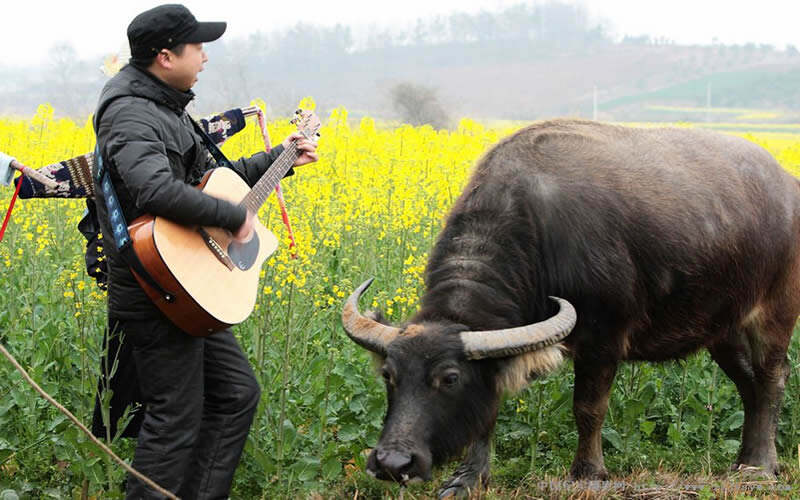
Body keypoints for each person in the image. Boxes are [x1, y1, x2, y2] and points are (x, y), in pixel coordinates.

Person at [91, 4, 318, 498]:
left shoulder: (167, 106)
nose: (206, 57)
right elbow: (154, 191)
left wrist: (280, 159)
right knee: (174, 422)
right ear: (165, 55)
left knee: (235, 395)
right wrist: (235, 219)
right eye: (198, 46)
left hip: (189, 286)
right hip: (157, 290)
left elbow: (212, 182)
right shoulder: (131, 111)